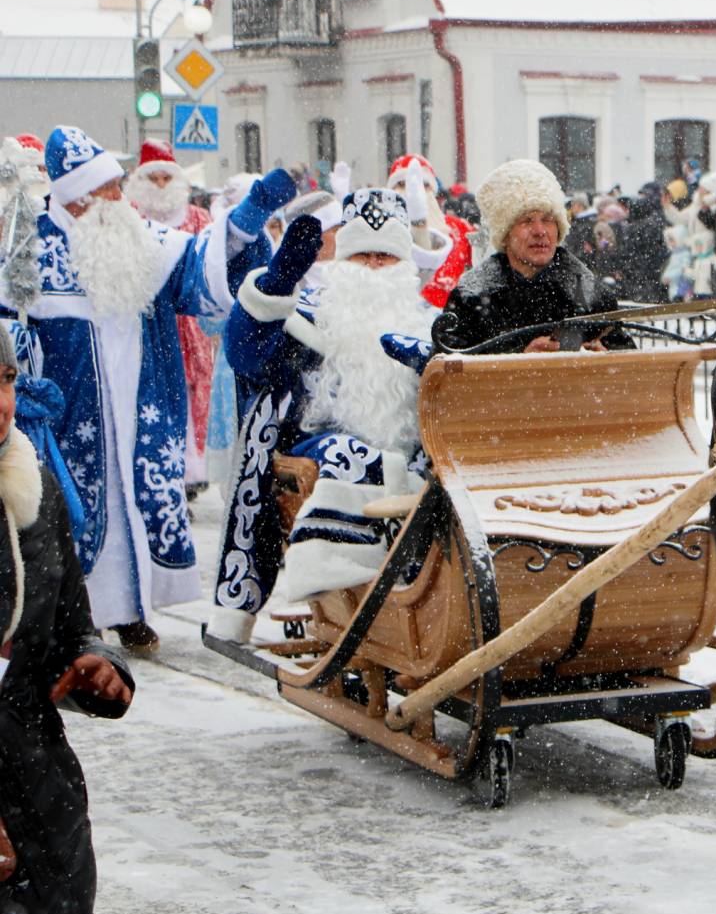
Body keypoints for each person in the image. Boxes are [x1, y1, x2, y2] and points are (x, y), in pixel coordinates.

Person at [0, 127, 289, 654]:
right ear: (79, 196)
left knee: (138, 502)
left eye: (117, 186)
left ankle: (131, 611)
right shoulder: (29, 247)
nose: (119, 199)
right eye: (108, 189)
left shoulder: (135, 236)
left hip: (139, 406)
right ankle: (73, 621)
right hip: (70, 415)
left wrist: (244, 223)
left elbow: (195, 263)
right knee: (71, 513)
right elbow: (6, 321)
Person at [209, 189, 439, 641]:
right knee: (348, 457)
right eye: (362, 256)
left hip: (411, 448)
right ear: (342, 261)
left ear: (404, 264)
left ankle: (429, 598)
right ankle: (346, 594)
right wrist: (277, 284)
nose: (373, 267)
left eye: (385, 257)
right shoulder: (310, 316)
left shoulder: (428, 322)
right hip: (323, 440)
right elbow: (247, 357)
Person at [0, 331, 136, 914]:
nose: (1, 401)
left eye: (5, 379)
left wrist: (96, 668)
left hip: (36, 781)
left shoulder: (32, 487)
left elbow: (69, 625)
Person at [432, 158, 632, 353]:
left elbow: (637, 370)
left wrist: (606, 362)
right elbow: (444, 376)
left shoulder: (589, 290)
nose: (540, 231)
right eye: (526, 221)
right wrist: (520, 363)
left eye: (548, 220)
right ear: (506, 234)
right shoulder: (471, 296)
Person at [125, 139, 218, 493]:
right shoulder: (132, 218)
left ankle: (193, 470)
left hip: (194, 326)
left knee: (196, 392)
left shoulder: (199, 218)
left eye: (167, 179)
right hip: (153, 322)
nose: (161, 186)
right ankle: (164, 464)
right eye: (154, 179)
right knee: (157, 390)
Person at [387, 154, 476, 307]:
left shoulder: (459, 229)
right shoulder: (384, 233)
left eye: (424, 185)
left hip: (452, 316)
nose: (414, 192)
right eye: (403, 184)